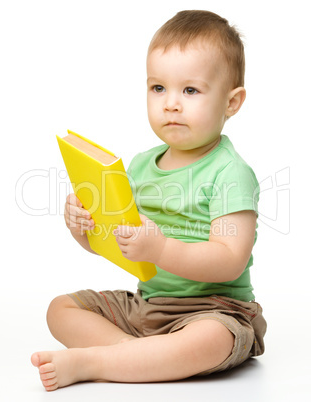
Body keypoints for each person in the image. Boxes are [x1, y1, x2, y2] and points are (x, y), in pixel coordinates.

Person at [31, 10, 267, 391]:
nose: (171, 103)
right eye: (158, 88)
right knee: (60, 309)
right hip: (149, 305)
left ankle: (100, 360)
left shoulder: (230, 173)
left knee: (210, 340)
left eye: (190, 90)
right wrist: (83, 228)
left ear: (232, 102)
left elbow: (230, 259)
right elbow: (119, 244)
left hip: (213, 309)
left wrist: (160, 248)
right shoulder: (141, 166)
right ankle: (135, 356)